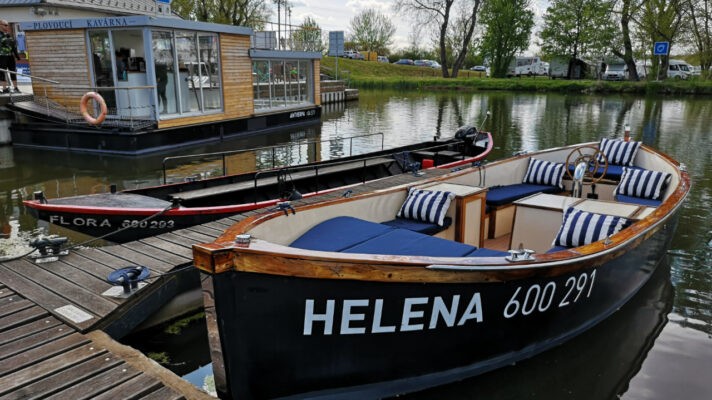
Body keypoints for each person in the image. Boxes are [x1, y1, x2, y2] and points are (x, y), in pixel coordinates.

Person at [0, 19, 21, 93]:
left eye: (7, 25)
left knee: (13, 71)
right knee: (2, 72)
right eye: (5, 25)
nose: (7, 27)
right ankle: (4, 88)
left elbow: (13, 46)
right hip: (2, 56)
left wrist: (17, 56)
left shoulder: (8, 35)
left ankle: (15, 88)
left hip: (10, 56)